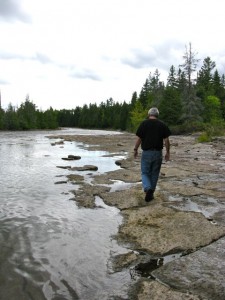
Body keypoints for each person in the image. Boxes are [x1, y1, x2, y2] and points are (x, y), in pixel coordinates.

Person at [134, 107, 171, 202]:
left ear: (149, 114)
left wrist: (135, 149)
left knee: (145, 172)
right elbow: (166, 140)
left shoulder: (144, 124)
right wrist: (167, 152)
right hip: (158, 153)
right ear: (157, 115)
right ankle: (151, 193)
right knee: (155, 173)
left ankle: (147, 189)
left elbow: (139, 139)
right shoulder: (162, 125)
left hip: (146, 153)